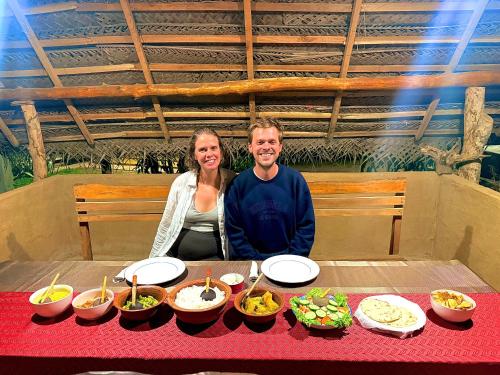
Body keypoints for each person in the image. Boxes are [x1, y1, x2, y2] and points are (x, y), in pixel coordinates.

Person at [224, 118, 315, 260]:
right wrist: (255, 261)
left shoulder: (295, 181)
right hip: (250, 263)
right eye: (260, 142)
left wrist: (291, 259)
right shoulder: (238, 185)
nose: (266, 147)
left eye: (272, 142)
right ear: (250, 147)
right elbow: (234, 231)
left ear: (280, 147)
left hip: (289, 261)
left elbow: (306, 227)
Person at [150, 128, 235, 260]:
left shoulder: (232, 181)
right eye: (202, 150)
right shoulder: (182, 183)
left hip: (215, 258)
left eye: (213, 148)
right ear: (194, 155)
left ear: (221, 151)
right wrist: (153, 259)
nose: (209, 154)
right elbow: (166, 223)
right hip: (178, 257)